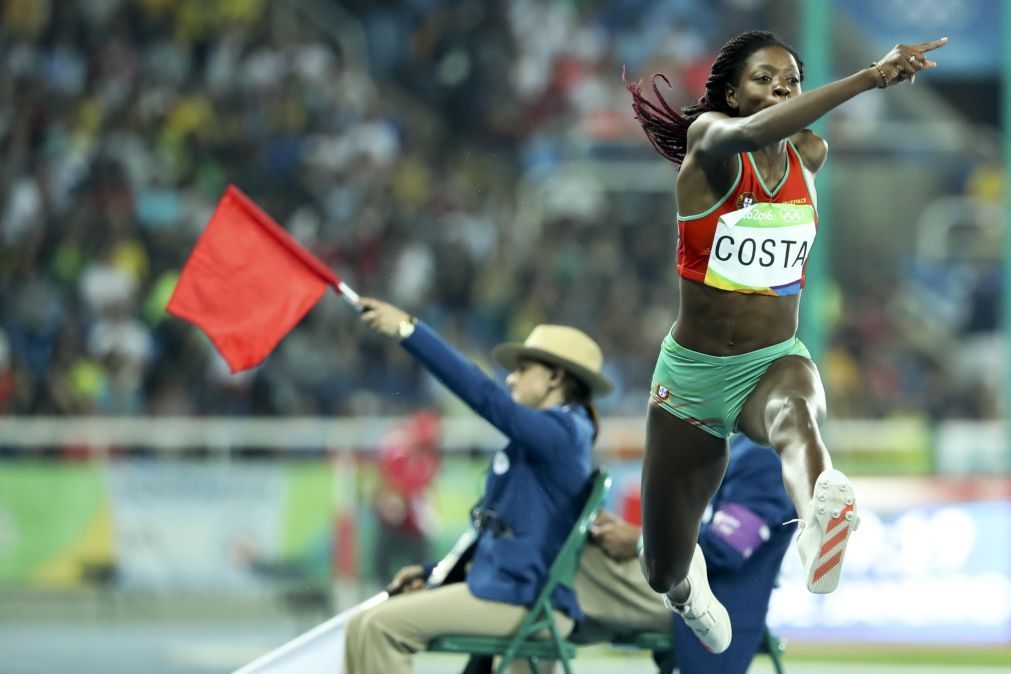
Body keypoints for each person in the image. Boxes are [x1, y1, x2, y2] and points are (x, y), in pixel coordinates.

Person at [624, 31, 948, 653]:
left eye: (790, 80)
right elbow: (751, 133)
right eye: (763, 78)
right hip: (691, 378)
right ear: (729, 94)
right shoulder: (713, 142)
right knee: (661, 567)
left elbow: (783, 131)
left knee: (795, 413)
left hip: (772, 360)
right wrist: (870, 78)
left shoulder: (809, 154)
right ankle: (687, 586)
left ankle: (819, 515)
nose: (780, 88)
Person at [344, 297, 613, 674]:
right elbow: (505, 542)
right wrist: (434, 572)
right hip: (508, 591)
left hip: (521, 600)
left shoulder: (566, 432)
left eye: (523, 369)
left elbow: (487, 400)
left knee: (378, 628)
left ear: (556, 378)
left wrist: (409, 331)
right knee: (361, 624)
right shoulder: (546, 440)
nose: (510, 378)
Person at [572, 435, 796, 674]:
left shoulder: (762, 456)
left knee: (580, 563)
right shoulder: (734, 446)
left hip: (711, 597)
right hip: (688, 587)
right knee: (584, 559)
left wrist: (640, 540)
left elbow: (726, 549)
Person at [371, 410, 441, 583]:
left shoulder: (429, 459)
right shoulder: (397, 452)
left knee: (418, 570)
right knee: (383, 569)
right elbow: (383, 484)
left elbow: (423, 488)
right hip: (393, 522)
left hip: (413, 526)